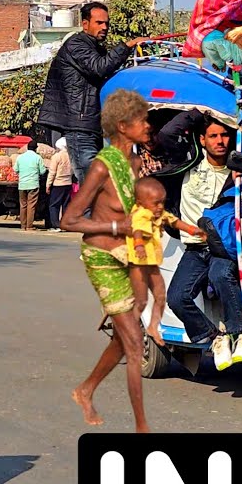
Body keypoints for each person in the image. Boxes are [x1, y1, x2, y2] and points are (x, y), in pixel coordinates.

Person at [59, 89, 153, 432]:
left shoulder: (137, 162)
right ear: (123, 125)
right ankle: (142, 427)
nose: (148, 125)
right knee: (133, 341)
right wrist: (116, 225)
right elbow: (68, 220)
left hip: (130, 255)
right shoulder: (102, 165)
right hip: (102, 256)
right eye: (142, 120)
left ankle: (85, 390)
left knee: (125, 335)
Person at [158, 114, 242, 368]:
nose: (220, 141)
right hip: (194, 248)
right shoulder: (187, 162)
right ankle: (214, 339)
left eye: (224, 135)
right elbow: (167, 135)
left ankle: (241, 335)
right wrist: (203, 111)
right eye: (213, 136)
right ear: (202, 140)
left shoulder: (239, 170)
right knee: (178, 297)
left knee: (222, 276)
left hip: (223, 248)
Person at [38, 2, 149, 182]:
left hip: (94, 126)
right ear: (85, 24)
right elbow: (99, 68)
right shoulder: (76, 45)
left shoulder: (95, 48)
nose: (104, 27)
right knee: (93, 187)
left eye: (106, 23)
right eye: (99, 23)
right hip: (80, 126)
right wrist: (128, 45)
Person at [127, 177, 201, 346]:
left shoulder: (158, 212)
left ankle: (153, 326)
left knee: (161, 297)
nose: (160, 207)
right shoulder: (140, 215)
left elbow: (173, 221)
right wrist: (139, 245)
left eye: (162, 203)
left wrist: (192, 229)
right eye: (156, 203)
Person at [13, 139, 47, 232]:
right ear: (36, 148)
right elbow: (43, 171)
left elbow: (15, 169)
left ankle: (23, 225)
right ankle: (29, 226)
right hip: (33, 184)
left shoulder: (20, 157)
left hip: (22, 185)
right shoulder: (38, 158)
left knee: (23, 205)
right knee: (31, 205)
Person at [45, 137, 74, 232]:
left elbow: (52, 172)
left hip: (58, 183)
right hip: (68, 183)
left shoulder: (56, 157)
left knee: (54, 205)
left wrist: (48, 184)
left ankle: (55, 225)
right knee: (66, 205)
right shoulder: (71, 156)